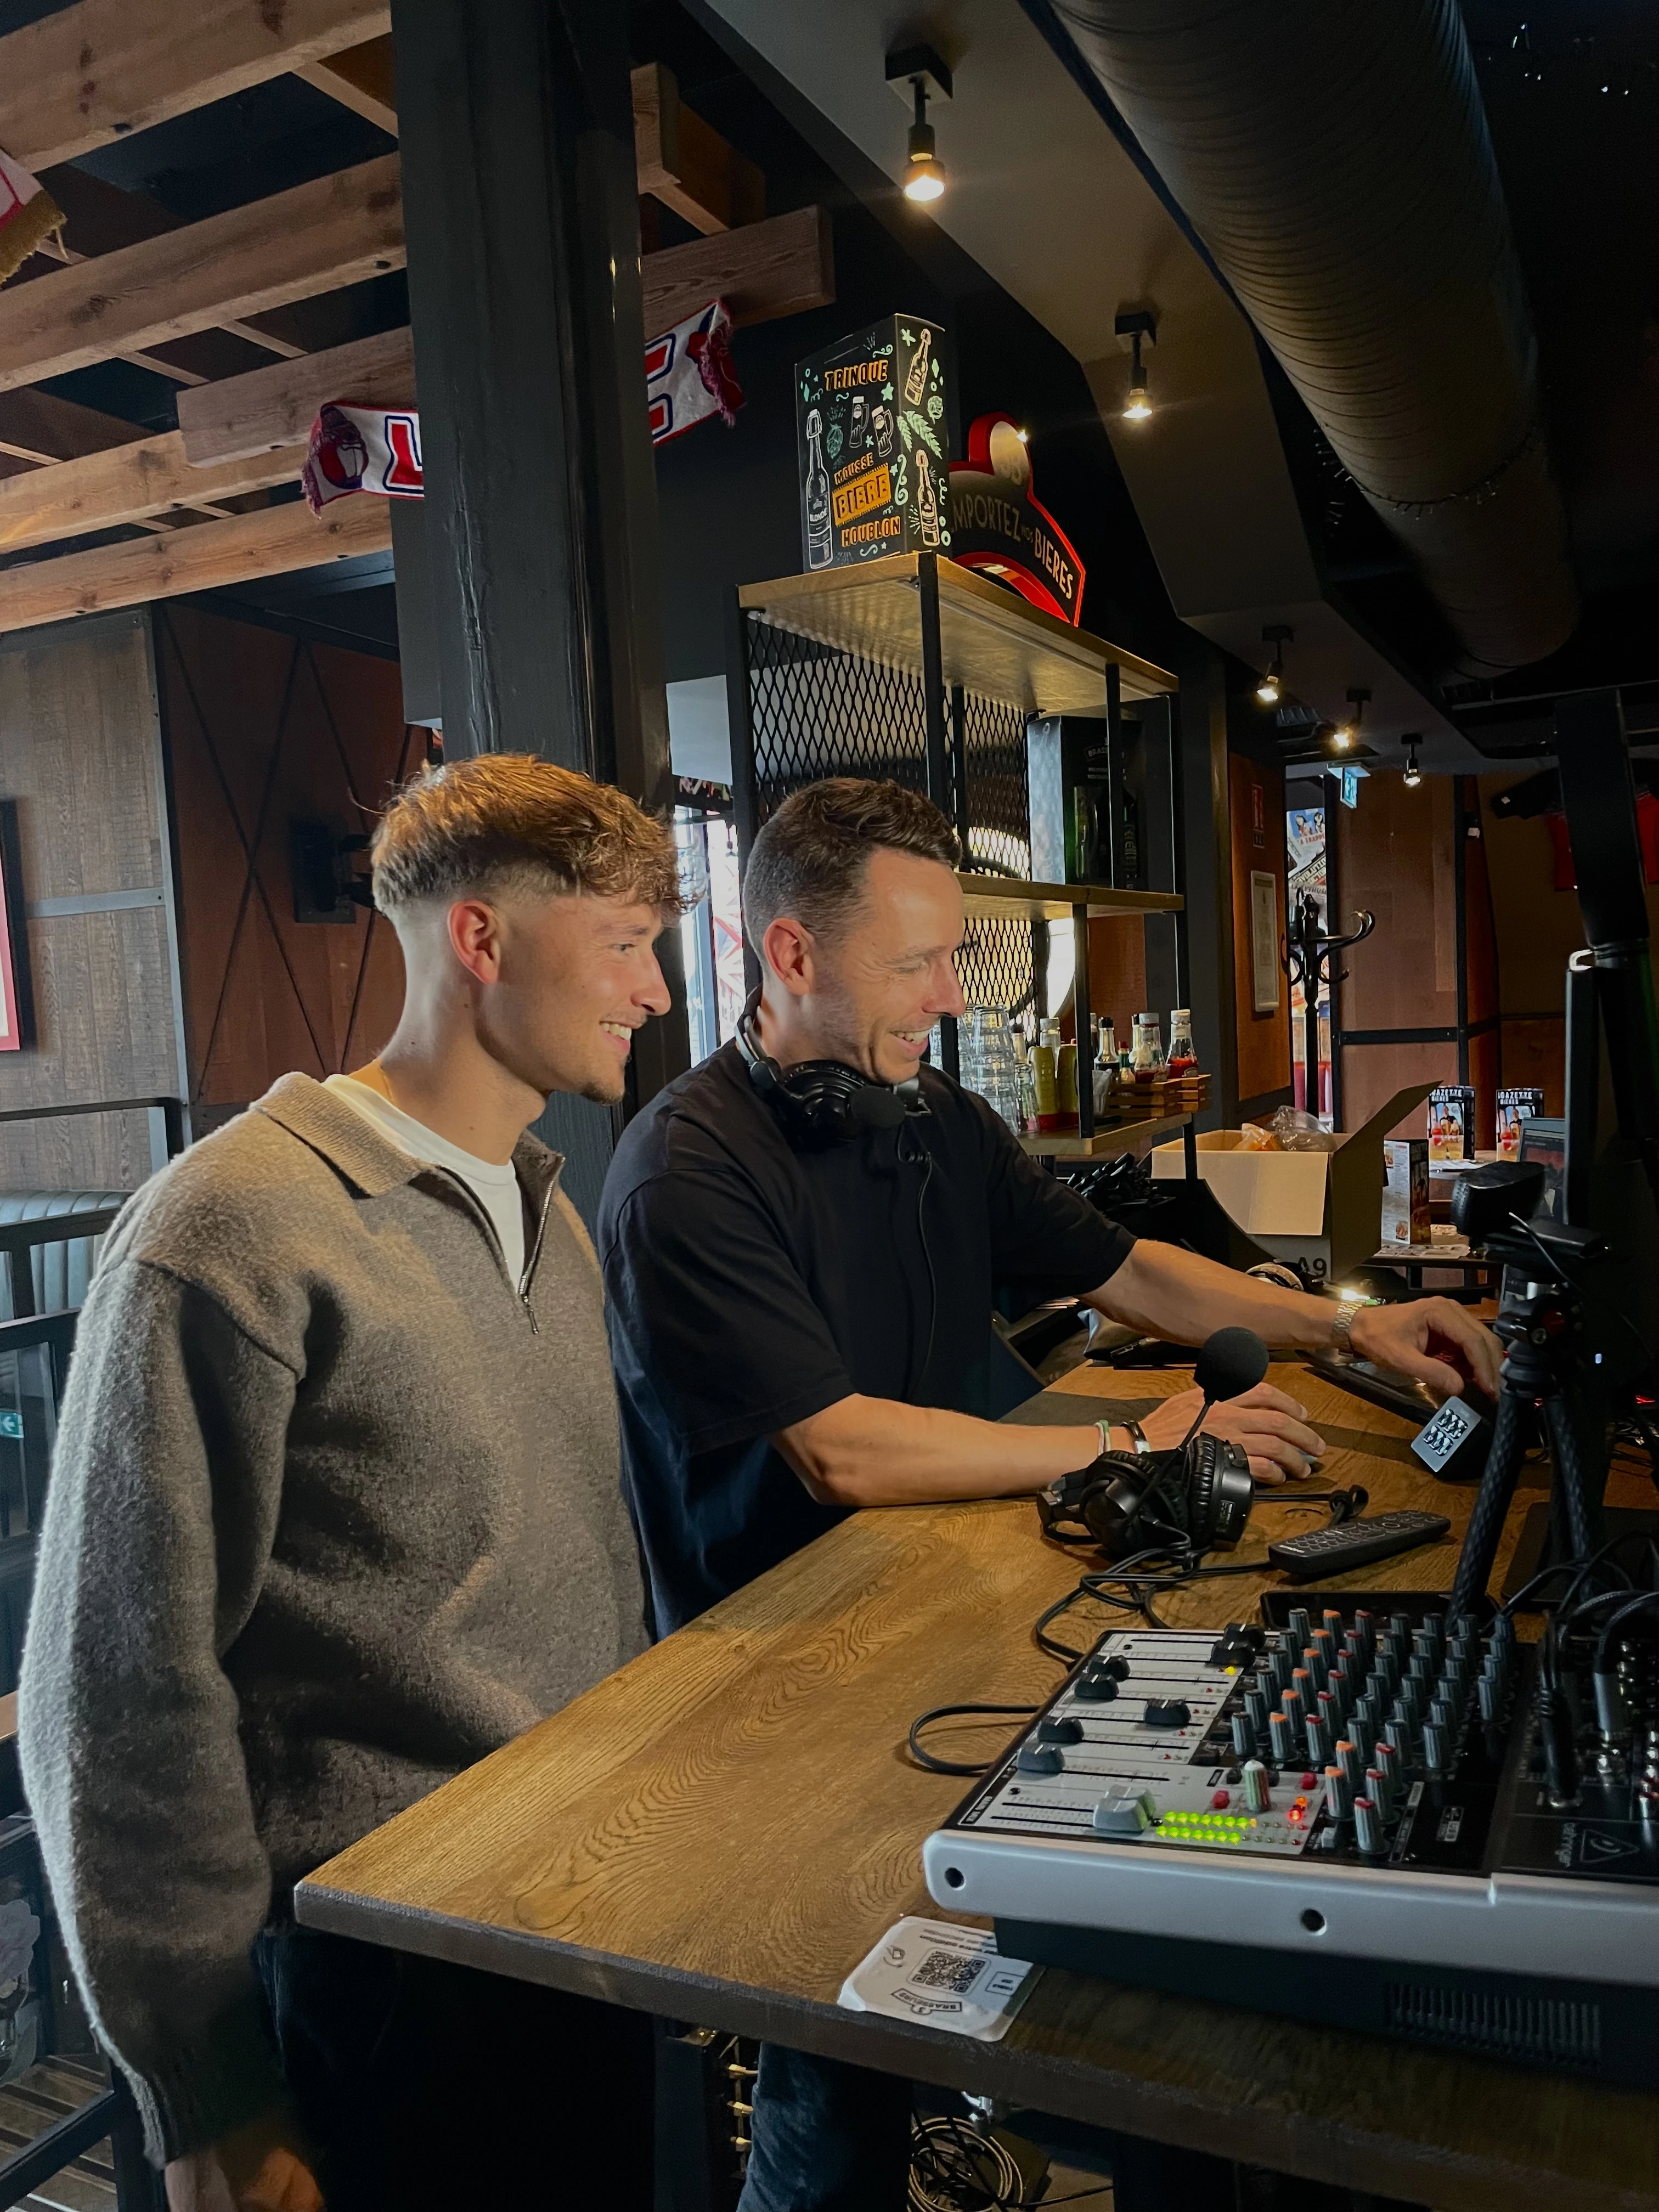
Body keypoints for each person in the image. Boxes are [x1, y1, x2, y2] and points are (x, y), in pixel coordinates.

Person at [597, 776, 1503, 2212]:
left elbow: (1121, 1267)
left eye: (953, 957)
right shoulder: (687, 1172)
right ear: (789, 955)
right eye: (918, 965)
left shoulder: (931, 1117)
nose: (949, 997)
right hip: (780, 1688)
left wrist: (1348, 1325)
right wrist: (1122, 1449)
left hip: (934, 1614)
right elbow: (841, 1450)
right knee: (838, 2077)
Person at [20, 755, 679, 2212]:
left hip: (571, 1924)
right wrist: (209, 2093)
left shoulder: (551, 1213)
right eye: (626, 942)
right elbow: (118, 1697)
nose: (655, 990)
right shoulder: (227, 1229)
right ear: (482, 938)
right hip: (376, 1985)